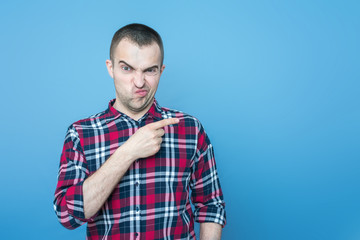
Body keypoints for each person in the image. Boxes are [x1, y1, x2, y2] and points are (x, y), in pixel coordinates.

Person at [54, 23, 226, 240]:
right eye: (127, 68)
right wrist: (128, 152)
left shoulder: (190, 129)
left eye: (149, 70)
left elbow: (210, 205)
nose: (139, 82)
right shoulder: (81, 134)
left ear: (161, 71)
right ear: (111, 68)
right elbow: (67, 215)